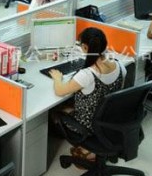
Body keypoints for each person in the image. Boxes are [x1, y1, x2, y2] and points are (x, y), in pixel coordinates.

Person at [49, 27, 126, 160]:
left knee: (56, 110)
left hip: (88, 125)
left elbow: (60, 91)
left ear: (85, 47)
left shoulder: (87, 74)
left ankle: (86, 147)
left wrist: (57, 78)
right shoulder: (120, 66)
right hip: (108, 121)